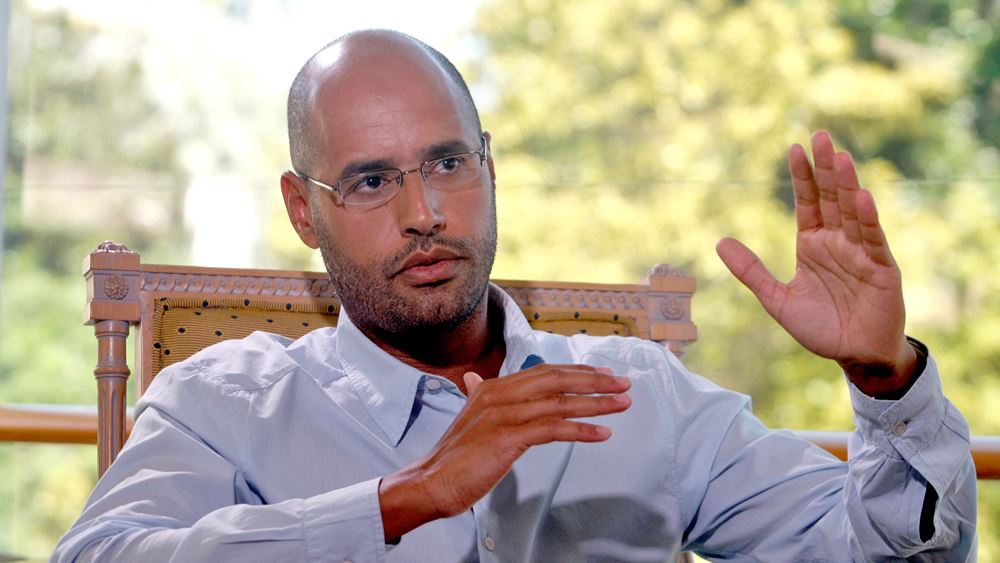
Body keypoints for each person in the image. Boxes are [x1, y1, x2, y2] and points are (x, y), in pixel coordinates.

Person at [53, 29, 977, 562]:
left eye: (447, 163)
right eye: (371, 181)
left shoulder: (637, 393)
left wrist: (886, 377)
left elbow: (883, 551)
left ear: (488, 167)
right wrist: (400, 500)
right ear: (304, 210)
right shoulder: (224, 401)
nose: (424, 213)